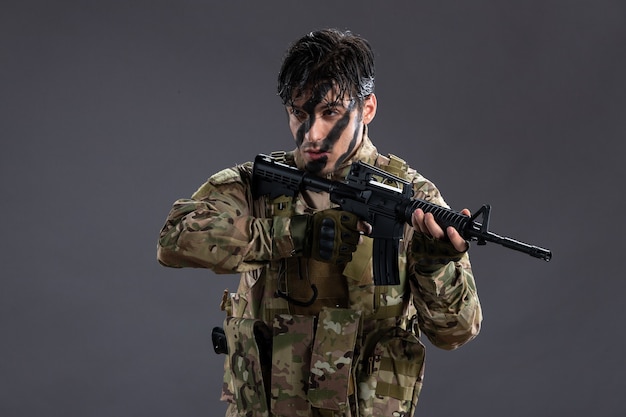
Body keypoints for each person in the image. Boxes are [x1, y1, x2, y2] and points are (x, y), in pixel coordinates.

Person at [157, 28, 482, 417]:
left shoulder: (414, 199)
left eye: (330, 113)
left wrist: (435, 267)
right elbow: (175, 238)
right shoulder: (256, 183)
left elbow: (456, 332)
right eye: (299, 113)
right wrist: (294, 233)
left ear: (368, 108)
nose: (311, 133)